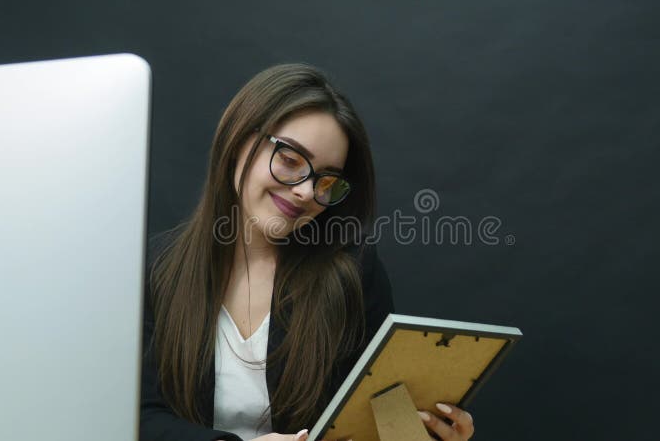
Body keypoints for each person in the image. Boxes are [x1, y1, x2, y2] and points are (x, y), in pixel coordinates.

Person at [140, 63, 476, 441]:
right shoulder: (156, 267)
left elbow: (377, 408)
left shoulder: (351, 272)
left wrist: (425, 431)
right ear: (237, 141)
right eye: (290, 160)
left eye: (326, 179)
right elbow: (138, 415)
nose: (305, 191)